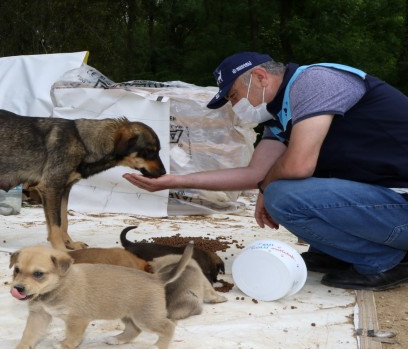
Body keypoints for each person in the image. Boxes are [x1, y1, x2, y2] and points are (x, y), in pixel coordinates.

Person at [123, 51, 408, 290]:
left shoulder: (316, 82)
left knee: (284, 195)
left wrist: (266, 187)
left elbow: (296, 166)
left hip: (399, 208)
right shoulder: (281, 115)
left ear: (260, 77)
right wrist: (175, 180)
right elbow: (254, 173)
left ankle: (383, 259)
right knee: (281, 192)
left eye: (234, 96)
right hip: (387, 203)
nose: (235, 106)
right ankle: (338, 253)